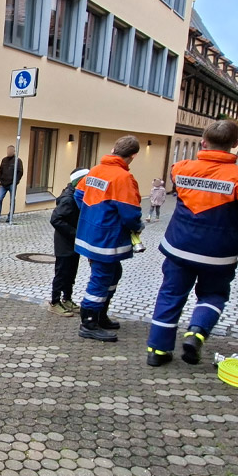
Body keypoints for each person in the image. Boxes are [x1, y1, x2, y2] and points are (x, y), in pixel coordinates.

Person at [145, 120, 238, 366]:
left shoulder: (181, 168)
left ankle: (157, 351)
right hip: (218, 253)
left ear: (203, 142)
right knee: (213, 294)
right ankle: (197, 332)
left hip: (178, 247)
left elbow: (178, 181)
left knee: (170, 295)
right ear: (235, 144)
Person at [75, 136, 144, 342]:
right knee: (102, 277)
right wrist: (137, 227)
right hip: (107, 238)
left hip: (91, 233)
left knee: (113, 273)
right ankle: (88, 322)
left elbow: (79, 195)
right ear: (132, 156)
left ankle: (100, 314)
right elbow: (130, 213)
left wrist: (92, 217)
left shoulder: (95, 170)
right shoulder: (123, 178)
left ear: (113, 148)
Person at [49, 168, 90, 317]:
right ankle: (54, 302)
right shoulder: (68, 198)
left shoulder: (79, 195)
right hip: (64, 242)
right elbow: (55, 219)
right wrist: (74, 233)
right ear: (80, 181)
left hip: (74, 242)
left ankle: (67, 299)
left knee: (71, 272)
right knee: (62, 273)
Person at [0, 146, 23, 222]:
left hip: (12, 184)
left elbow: (20, 172)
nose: (9, 152)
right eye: (8, 151)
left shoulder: (17, 161)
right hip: (3, 183)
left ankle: (10, 217)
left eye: (10, 151)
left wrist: (16, 182)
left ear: (14, 151)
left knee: (12, 200)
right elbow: (0, 171)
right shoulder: (4, 160)